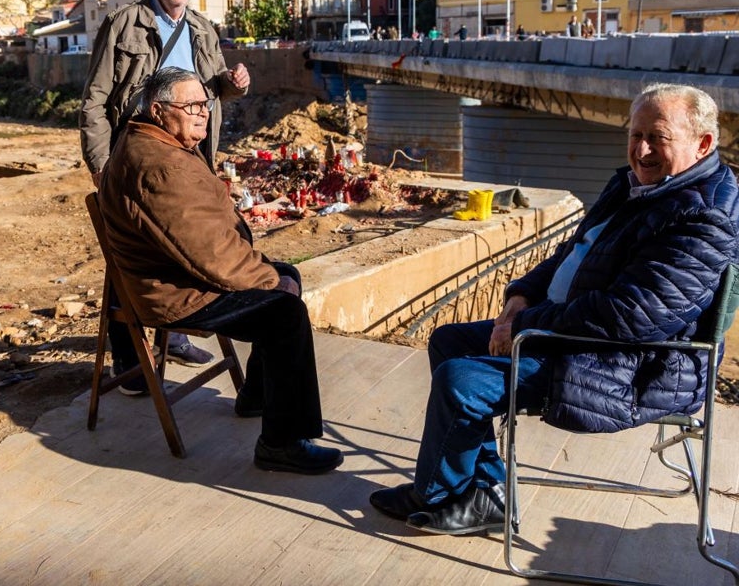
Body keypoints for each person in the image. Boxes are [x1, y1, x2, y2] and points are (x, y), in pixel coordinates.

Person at [368, 83, 739, 535]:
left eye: (657, 137)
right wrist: (521, 296)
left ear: (702, 144)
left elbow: (630, 317)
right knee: (449, 341)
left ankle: (437, 495)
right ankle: (485, 491)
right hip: (576, 333)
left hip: (634, 364)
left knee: (462, 380)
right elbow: (573, 252)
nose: (641, 149)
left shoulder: (702, 216)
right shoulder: (638, 186)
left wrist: (524, 324)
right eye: (635, 133)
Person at [98, 67, 342, 474]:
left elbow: (205, 242)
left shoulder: (155, 141)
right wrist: (268, 279)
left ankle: (257, 398)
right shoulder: (159, 167)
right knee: (285, 312)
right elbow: (208, 254)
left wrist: (270, 273)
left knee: (287, 277)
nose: (203, 113)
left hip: (181, 272)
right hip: (177, 292)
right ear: (158, 111)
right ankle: (280, 444)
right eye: (191, 105)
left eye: (204, 104)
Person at [80, 0, 250, 374]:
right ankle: (132, 364)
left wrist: (233, 84)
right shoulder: (123, 23)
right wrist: (101, 165)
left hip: (188, 157)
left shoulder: (203, 29)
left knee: (183, 244)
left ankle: (174, 336)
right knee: (130, 252)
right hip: (134, 156)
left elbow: (211, 92)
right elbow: (95, 100)